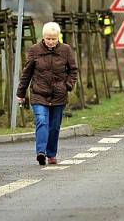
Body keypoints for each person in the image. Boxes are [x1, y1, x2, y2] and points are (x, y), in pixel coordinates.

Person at [16, 21, 78, 166]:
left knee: (54, 127)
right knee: (42, 122)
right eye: (48, 38)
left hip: (59, 95)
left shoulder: (66, 50)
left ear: (58, 38)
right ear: (43, 37)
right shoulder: (34, 50)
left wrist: (68, 85)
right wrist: (21, 93)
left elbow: (73, 70)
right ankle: (41, 152)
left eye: (53, 39)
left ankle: (51, 154)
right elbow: (27, 73)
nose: (51, 42)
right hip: (39, 93)